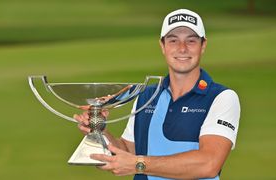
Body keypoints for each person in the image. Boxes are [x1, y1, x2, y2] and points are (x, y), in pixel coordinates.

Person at [74, 9, 240, 180]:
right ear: (163, 46)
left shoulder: (221, 98)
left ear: (203, 45)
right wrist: (100, 130)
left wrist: (138, 164)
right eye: (173, 40)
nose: (182, 49)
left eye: (191, 41)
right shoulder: (145, 96)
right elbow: (127, 152)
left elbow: (209, 164)